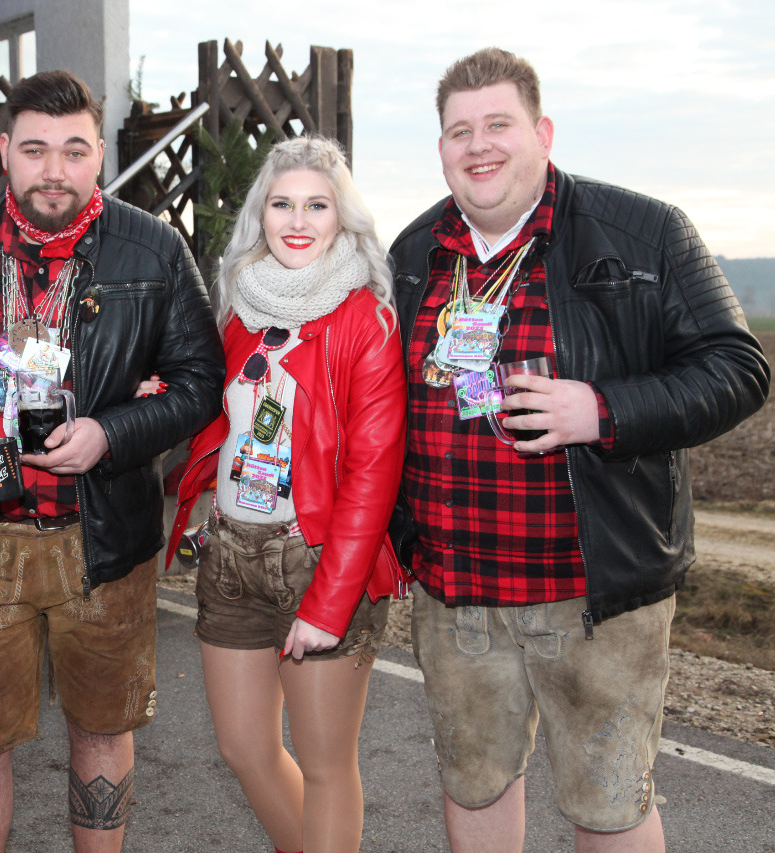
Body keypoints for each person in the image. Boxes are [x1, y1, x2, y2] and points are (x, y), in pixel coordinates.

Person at [388, 47, 770, 853]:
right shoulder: (414, 252)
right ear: (441, 147)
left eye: (499, 124)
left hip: (591, 594)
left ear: (543, 133)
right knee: (474, 783)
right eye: (460, 131)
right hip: (455, 594)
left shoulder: (644, 233)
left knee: (608, 804)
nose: (479, 145)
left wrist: (603, 409)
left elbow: (739, 368)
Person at [0, 69, 224, 852]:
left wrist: (113, 431)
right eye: (35, 150)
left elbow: (202, 382)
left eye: (74, 150)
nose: (54, 170)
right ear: (4, 150)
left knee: (102, 728)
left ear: (100, 153)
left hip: (100, 537)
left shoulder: (154, 247)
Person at [168, 136, 406, 853]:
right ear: (260, 214)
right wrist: (169, 398)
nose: (297, 221)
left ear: (342, 218)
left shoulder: (366, 318)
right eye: (282, 204)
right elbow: (224, 418)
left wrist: (329, 604)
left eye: (317, 205)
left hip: (319, 558)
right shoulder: (240, 307)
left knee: (327, 766)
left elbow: (373, 475)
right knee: (244, 747)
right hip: (230, 553)